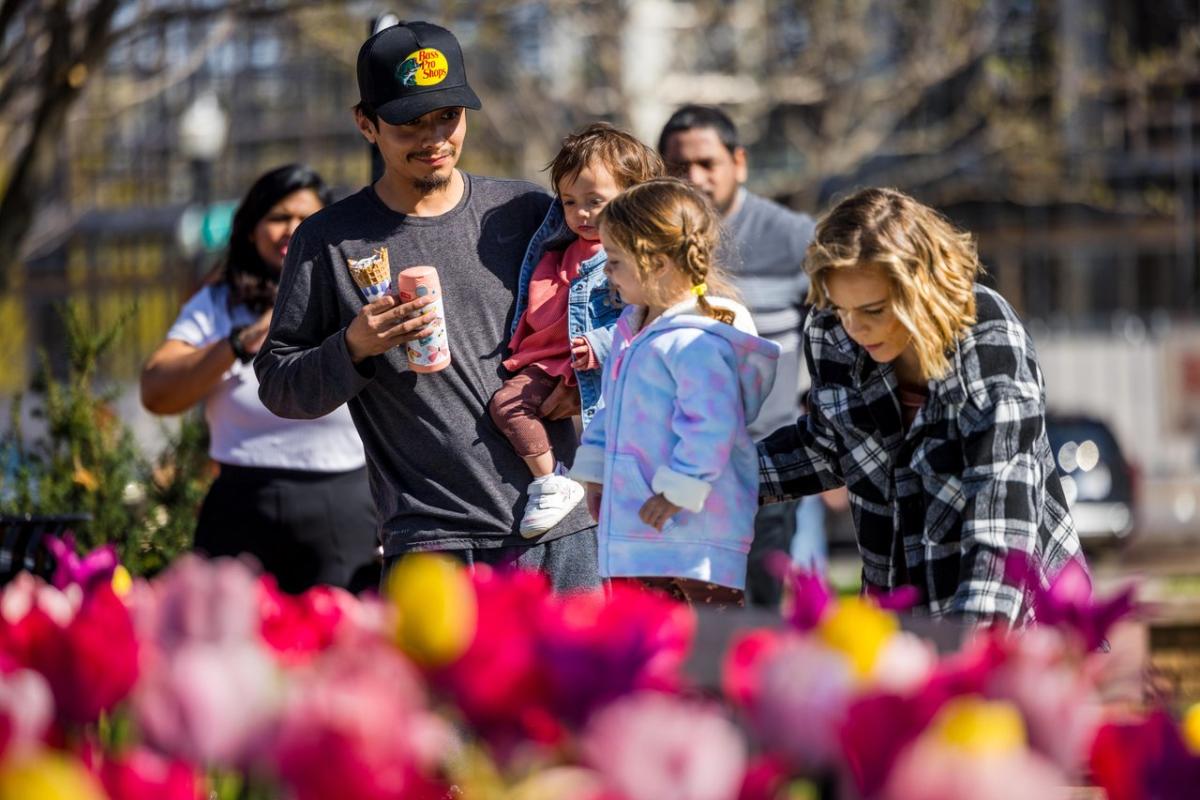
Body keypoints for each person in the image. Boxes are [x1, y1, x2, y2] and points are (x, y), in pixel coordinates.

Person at [255, 21, 598, 591]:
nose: (435, 137)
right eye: (410, 123)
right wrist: (354, 347)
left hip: (558, 531)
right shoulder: (330, 239)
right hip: (431, 545)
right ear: (366, 123)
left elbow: (613, 307)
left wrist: (582, 386)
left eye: (448, 116)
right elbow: (279, 385)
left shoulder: (527, 212)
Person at [758, 187, 1084, 626]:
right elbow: (827, 446)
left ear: (921, 289)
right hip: (899, 622)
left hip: (1021, 627)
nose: (854, 327)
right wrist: (720, 477)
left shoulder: (987, 338)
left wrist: (968, 655)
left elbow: (1000, 526)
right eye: (841, 308)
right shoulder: (832, 328)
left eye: (873, 309)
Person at [140, 164, 378, 594]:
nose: (292, 230)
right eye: (278, 218)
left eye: (306, 218)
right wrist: (237, 343)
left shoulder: (353, 297)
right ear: (251, 230)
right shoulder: (217, 303)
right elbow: (156, 391)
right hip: (240, 507)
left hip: (342, 506)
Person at [570, 178, 780, 606]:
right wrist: (595, 474)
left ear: (658, 262)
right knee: (647, 653)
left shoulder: (698, 341)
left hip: (697, 537)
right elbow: (614, 411)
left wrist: (677, 491)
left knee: (706, 653)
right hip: (642, 530)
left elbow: (711, 426)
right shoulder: (635, 329)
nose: (606, 272)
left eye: (614, 260)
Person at [658, 104, 816, 607]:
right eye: (679, 167)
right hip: (672, 465)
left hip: (767, 465)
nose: (695, 178)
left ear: (739, 163)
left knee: (759, 610)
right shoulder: (651, 242)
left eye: (708, 163)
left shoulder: (793, 237)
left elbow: (839, 333)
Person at [490, 123, 663, 537]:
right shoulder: (556, 245)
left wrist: (602, 345)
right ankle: (552, 480)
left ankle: (555, 483)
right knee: (509, 406)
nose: (581, 213)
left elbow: (647, 315)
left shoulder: (628, 258)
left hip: (590, 364)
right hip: (547, 360)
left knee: (617, 449)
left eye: (595, 201)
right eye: (569, 201)